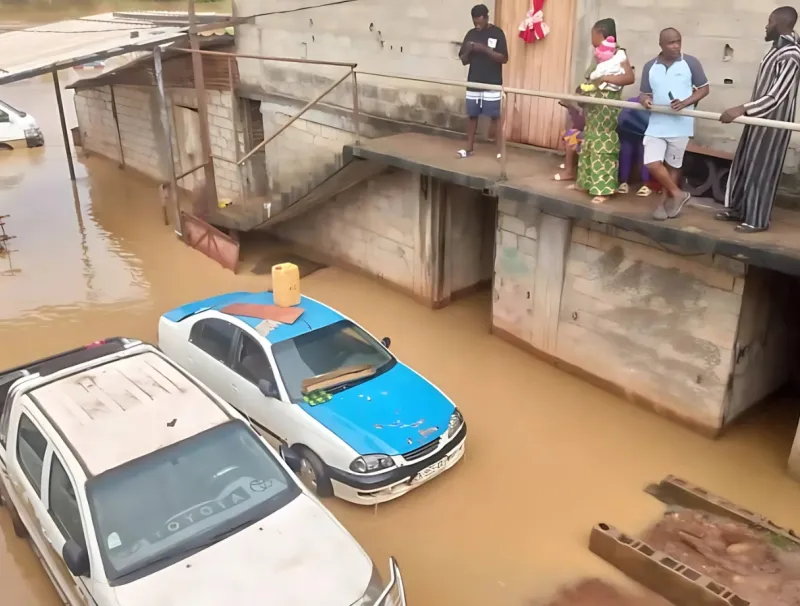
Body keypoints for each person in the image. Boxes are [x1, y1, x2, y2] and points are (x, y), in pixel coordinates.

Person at [717, 7, 800, 233]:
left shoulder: (791, 54)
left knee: (762, 170)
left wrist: (741, 109)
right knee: (745, 164)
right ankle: (738, 210)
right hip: (756, 119)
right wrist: (747, 112)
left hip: (772, 125)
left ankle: (757, 220)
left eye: (769, 21)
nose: (766, 25)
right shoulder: (775, 50)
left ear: (781, 23)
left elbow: (777, 96)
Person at [639, 28, 709, 221]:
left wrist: (686, 102)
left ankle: (663, 203)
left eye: (678, 41)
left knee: (673, 166)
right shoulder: (649, 66)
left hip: (681, 124)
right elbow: (644, 93)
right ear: (661, 45)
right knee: (652, 163)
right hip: (657, 123)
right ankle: (678, 194)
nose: (676, 46)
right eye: (671, 43)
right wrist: (645, 101)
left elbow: (704, 89)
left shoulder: (691, 62)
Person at [573, 18, 635, 204]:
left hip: (607, 105)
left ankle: (604, 189)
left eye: (593, 33)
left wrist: (605, 78)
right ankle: (586, 182)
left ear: (601, 34)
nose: (591, 37)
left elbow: (629, 77)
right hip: (593, 103)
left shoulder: (619, 55)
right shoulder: (598, 55)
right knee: (589, 139)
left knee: (602, 142)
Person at [457, 4, 508, 159]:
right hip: (474, 81)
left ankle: (500, 151)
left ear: (486, 17)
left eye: (480, 22)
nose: (477, 26)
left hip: (492, 82)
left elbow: (504, 58)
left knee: (495, 117)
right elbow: (464, 60)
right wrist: (469, 50)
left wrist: (484, 49)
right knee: (472, 115)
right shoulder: (471, 34)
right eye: (475, 23)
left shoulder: (497, 33)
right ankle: (468, 148)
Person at [616, 97, 654, 195]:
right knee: (628, 152)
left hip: (643, 133)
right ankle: (626, 182)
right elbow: (622, 119)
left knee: (643, 153)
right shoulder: (633, 101)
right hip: (631, 132)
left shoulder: (658, 102)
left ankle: (644, 184)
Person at [554, 101, 585, 181]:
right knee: (566, 134)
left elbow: (581, 125)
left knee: (571, 137)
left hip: (590, 133)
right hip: (582, 132)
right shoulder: (576, 110)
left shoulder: (588, 109)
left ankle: (569, 172)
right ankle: (571, 165)